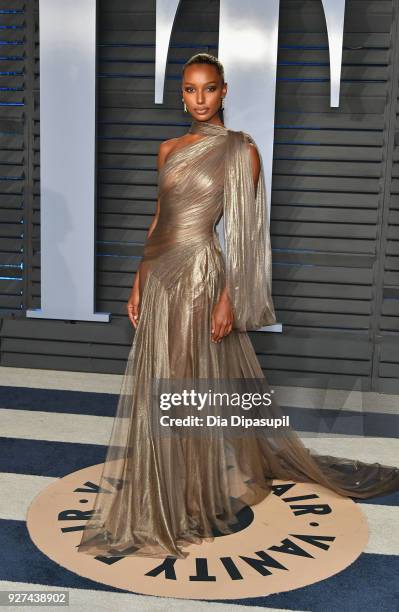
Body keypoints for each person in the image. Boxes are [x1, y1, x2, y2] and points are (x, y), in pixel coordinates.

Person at [76, 53, 399, 560]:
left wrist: (231, 297)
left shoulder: (240, 151)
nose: (198, 99)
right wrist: (138, 281)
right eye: (189, 89)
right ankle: (168, 483)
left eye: (208, 89)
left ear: (224, 91)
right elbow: (160, 218)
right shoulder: (167, 149)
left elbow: (246, 236)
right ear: (181, 93)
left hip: (202, 275)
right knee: (163, 379)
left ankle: (192, 495)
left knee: (189, 384)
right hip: (160, 276)